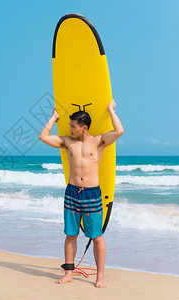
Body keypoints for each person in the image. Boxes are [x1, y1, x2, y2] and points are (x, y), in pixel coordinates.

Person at [38, 99, 123, 288]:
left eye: (73, 126)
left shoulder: (99, 141)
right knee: (70, 234)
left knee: (97, 236)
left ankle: (99, 276)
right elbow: (43, 137)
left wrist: (110, 110)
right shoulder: (67, 142)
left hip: (92, 194)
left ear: (84, 128)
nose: (70, 129)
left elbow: (119, 131)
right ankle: (68, 273)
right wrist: (53, 117)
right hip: (72, 192)